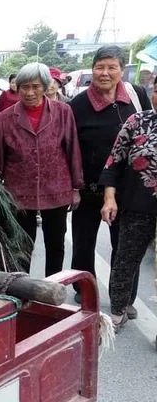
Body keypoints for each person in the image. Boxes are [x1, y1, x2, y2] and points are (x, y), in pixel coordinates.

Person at [70, 45, 151, 311]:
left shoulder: (137, 95)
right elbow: (69, 149)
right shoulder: (78, 105)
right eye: (99, 67)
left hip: (127, 190)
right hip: (89, 188)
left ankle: (124, 298)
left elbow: (151, 129)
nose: (105, 73)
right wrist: (74, 186)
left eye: (111, 67)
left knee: (126, 246)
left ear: (121, 70)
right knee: (83, 244)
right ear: (92, 69)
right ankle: (85, 289)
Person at [0, 63, 83, 277]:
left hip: (57, 189)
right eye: (24, 87)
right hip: (19, 193)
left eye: (35, 86)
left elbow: (73, 150)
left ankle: (52, 293)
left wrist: (76, 188)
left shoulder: (63, 112)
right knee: (21, 247)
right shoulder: (5, 118)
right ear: (17, 87)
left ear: (45, 86)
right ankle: (22, 293)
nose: (29, 92)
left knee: (55, 245)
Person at [99, 74, 157, 332]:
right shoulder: (138, 121)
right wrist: (109, 197)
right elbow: (114, 162)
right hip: (137, 206)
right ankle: (117, 311)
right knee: (125, 260)